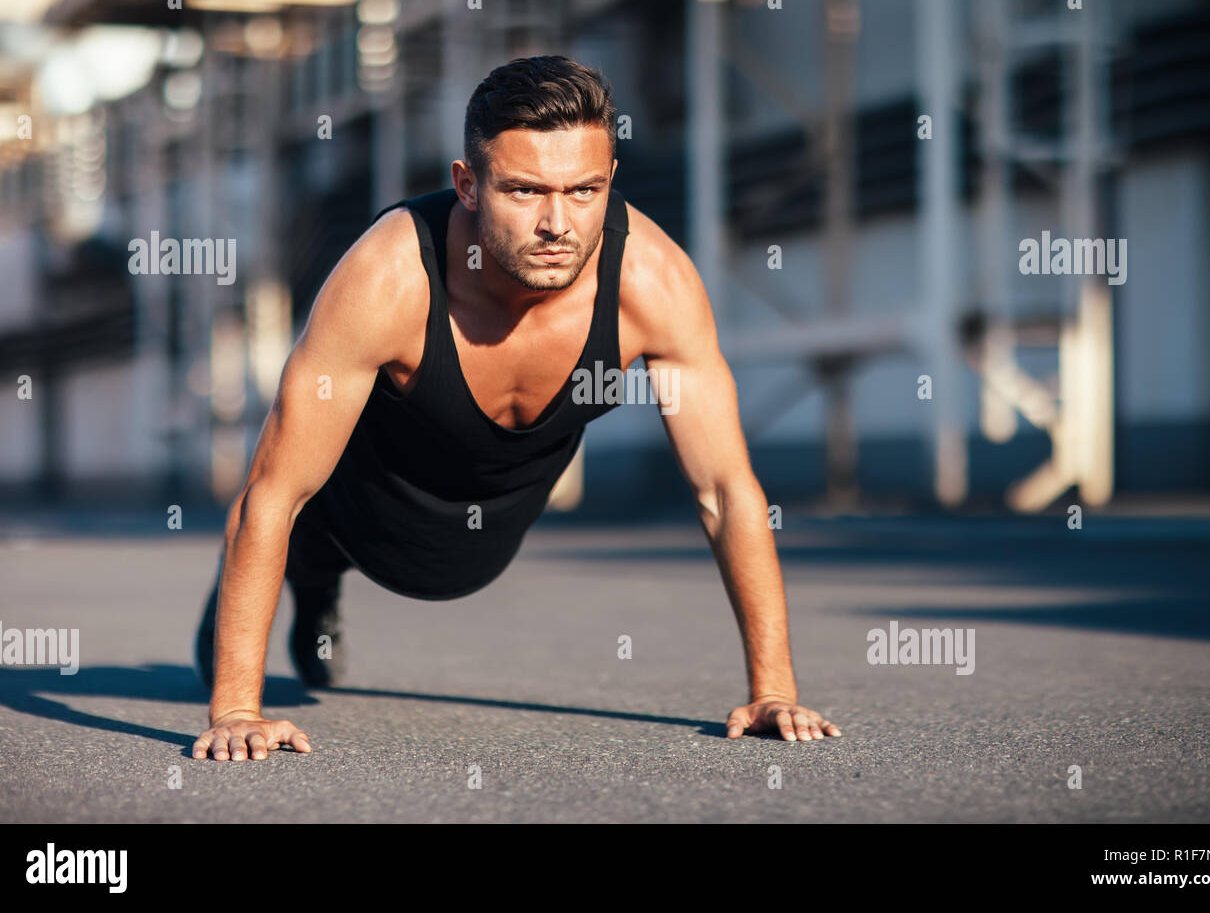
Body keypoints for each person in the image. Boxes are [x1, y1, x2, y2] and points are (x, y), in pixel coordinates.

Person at [192, 55, 841, 763]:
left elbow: (724, 488)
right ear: (467, 184)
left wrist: (773, 690)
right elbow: (274, 492)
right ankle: (307, 586)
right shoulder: (386, 278)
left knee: (453, 569)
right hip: (365, 494)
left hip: (493, 520)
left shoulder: (653, 282)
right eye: (526, 190)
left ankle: (310, 586)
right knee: (309, 522)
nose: (557, 223)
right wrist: (236, 709)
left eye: (584, 190)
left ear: (610, 180)